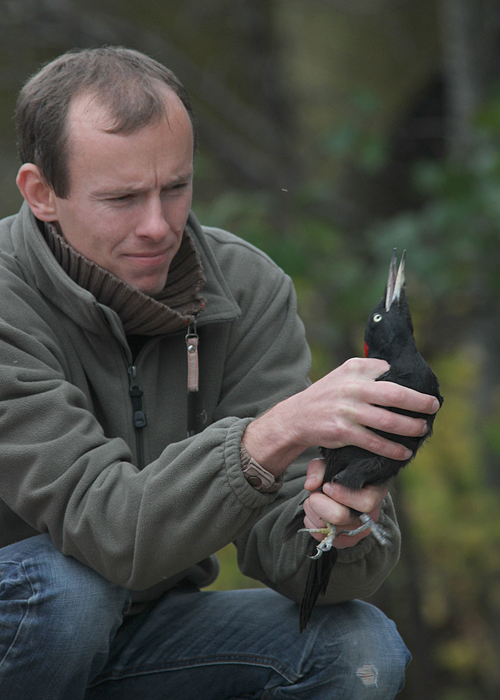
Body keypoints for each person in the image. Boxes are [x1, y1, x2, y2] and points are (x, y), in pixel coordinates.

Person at [0, 47, 439, 700]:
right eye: (122, 198)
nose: (158, 225)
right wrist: (271, 434)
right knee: (76, 591)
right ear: (41, 193)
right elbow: (111, 531)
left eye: (175, 188)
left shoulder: (248, 287)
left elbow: (288, 550)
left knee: (358, 646)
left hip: (142, 633)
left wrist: (338, 528)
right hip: (34, 625)